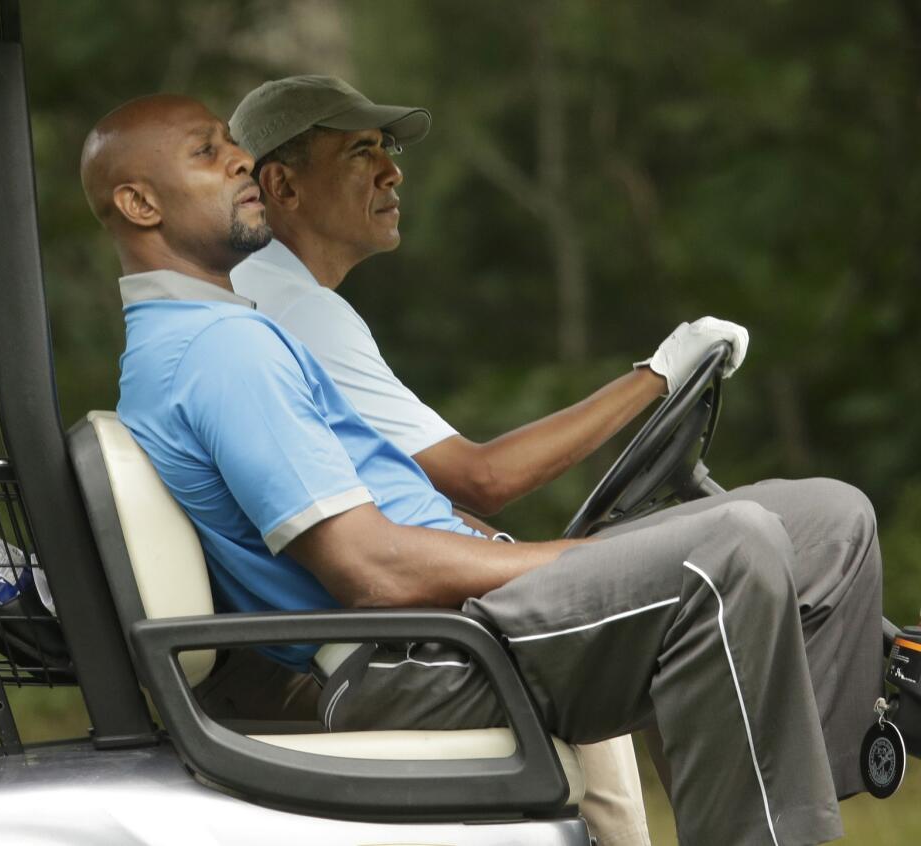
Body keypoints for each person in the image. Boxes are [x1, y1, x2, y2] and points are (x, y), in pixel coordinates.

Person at [82, 93, 885, 846]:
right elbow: (369, 570)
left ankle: (800, 803)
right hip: (412, 658)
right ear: (140, 205)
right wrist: (570, 559)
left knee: (825, 517)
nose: (239, 162)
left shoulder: (224, 331)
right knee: (734, 546)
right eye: (207, 152)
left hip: (454, 630)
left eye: (232, 144)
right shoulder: (222, 351)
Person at [226, 76, 751, 845]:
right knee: (670, 607)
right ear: (282, 184)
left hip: (357, 626)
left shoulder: (271, 295)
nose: (392, 172)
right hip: (362, 645)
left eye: (389, 150)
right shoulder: (297, 310)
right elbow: (482, 476)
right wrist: (659, 374)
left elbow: (420, 492)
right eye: (362, 150)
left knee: (621, 599)